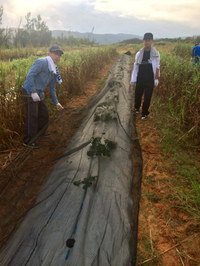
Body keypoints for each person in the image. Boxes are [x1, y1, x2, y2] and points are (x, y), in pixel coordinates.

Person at [22, 45, 64, 149]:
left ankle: (40, 132)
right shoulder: (42, 62)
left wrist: (56, 102)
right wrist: (32, 92)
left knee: (44, 113)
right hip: (29, 90)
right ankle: (28, 140)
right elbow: (30, 76)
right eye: (55, 54)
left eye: (59, 55)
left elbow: (52, 87)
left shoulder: (54, 69)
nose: (57, 57)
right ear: (49, 53)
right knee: (33, 115)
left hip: (39, 92)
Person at [130, 32, 160, 120]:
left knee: (148, 96)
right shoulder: (139, 54)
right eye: (145, 40)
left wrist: (156, 79)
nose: (147, 42)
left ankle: (144, 112)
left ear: (152, 41)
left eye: (149, 40)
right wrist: (133, 78)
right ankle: (136, 108)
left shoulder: (156, 54)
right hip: (141, 77)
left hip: (150, 78)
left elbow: (157, 66)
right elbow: (136, 66)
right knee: (138, 93)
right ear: (143, 41)